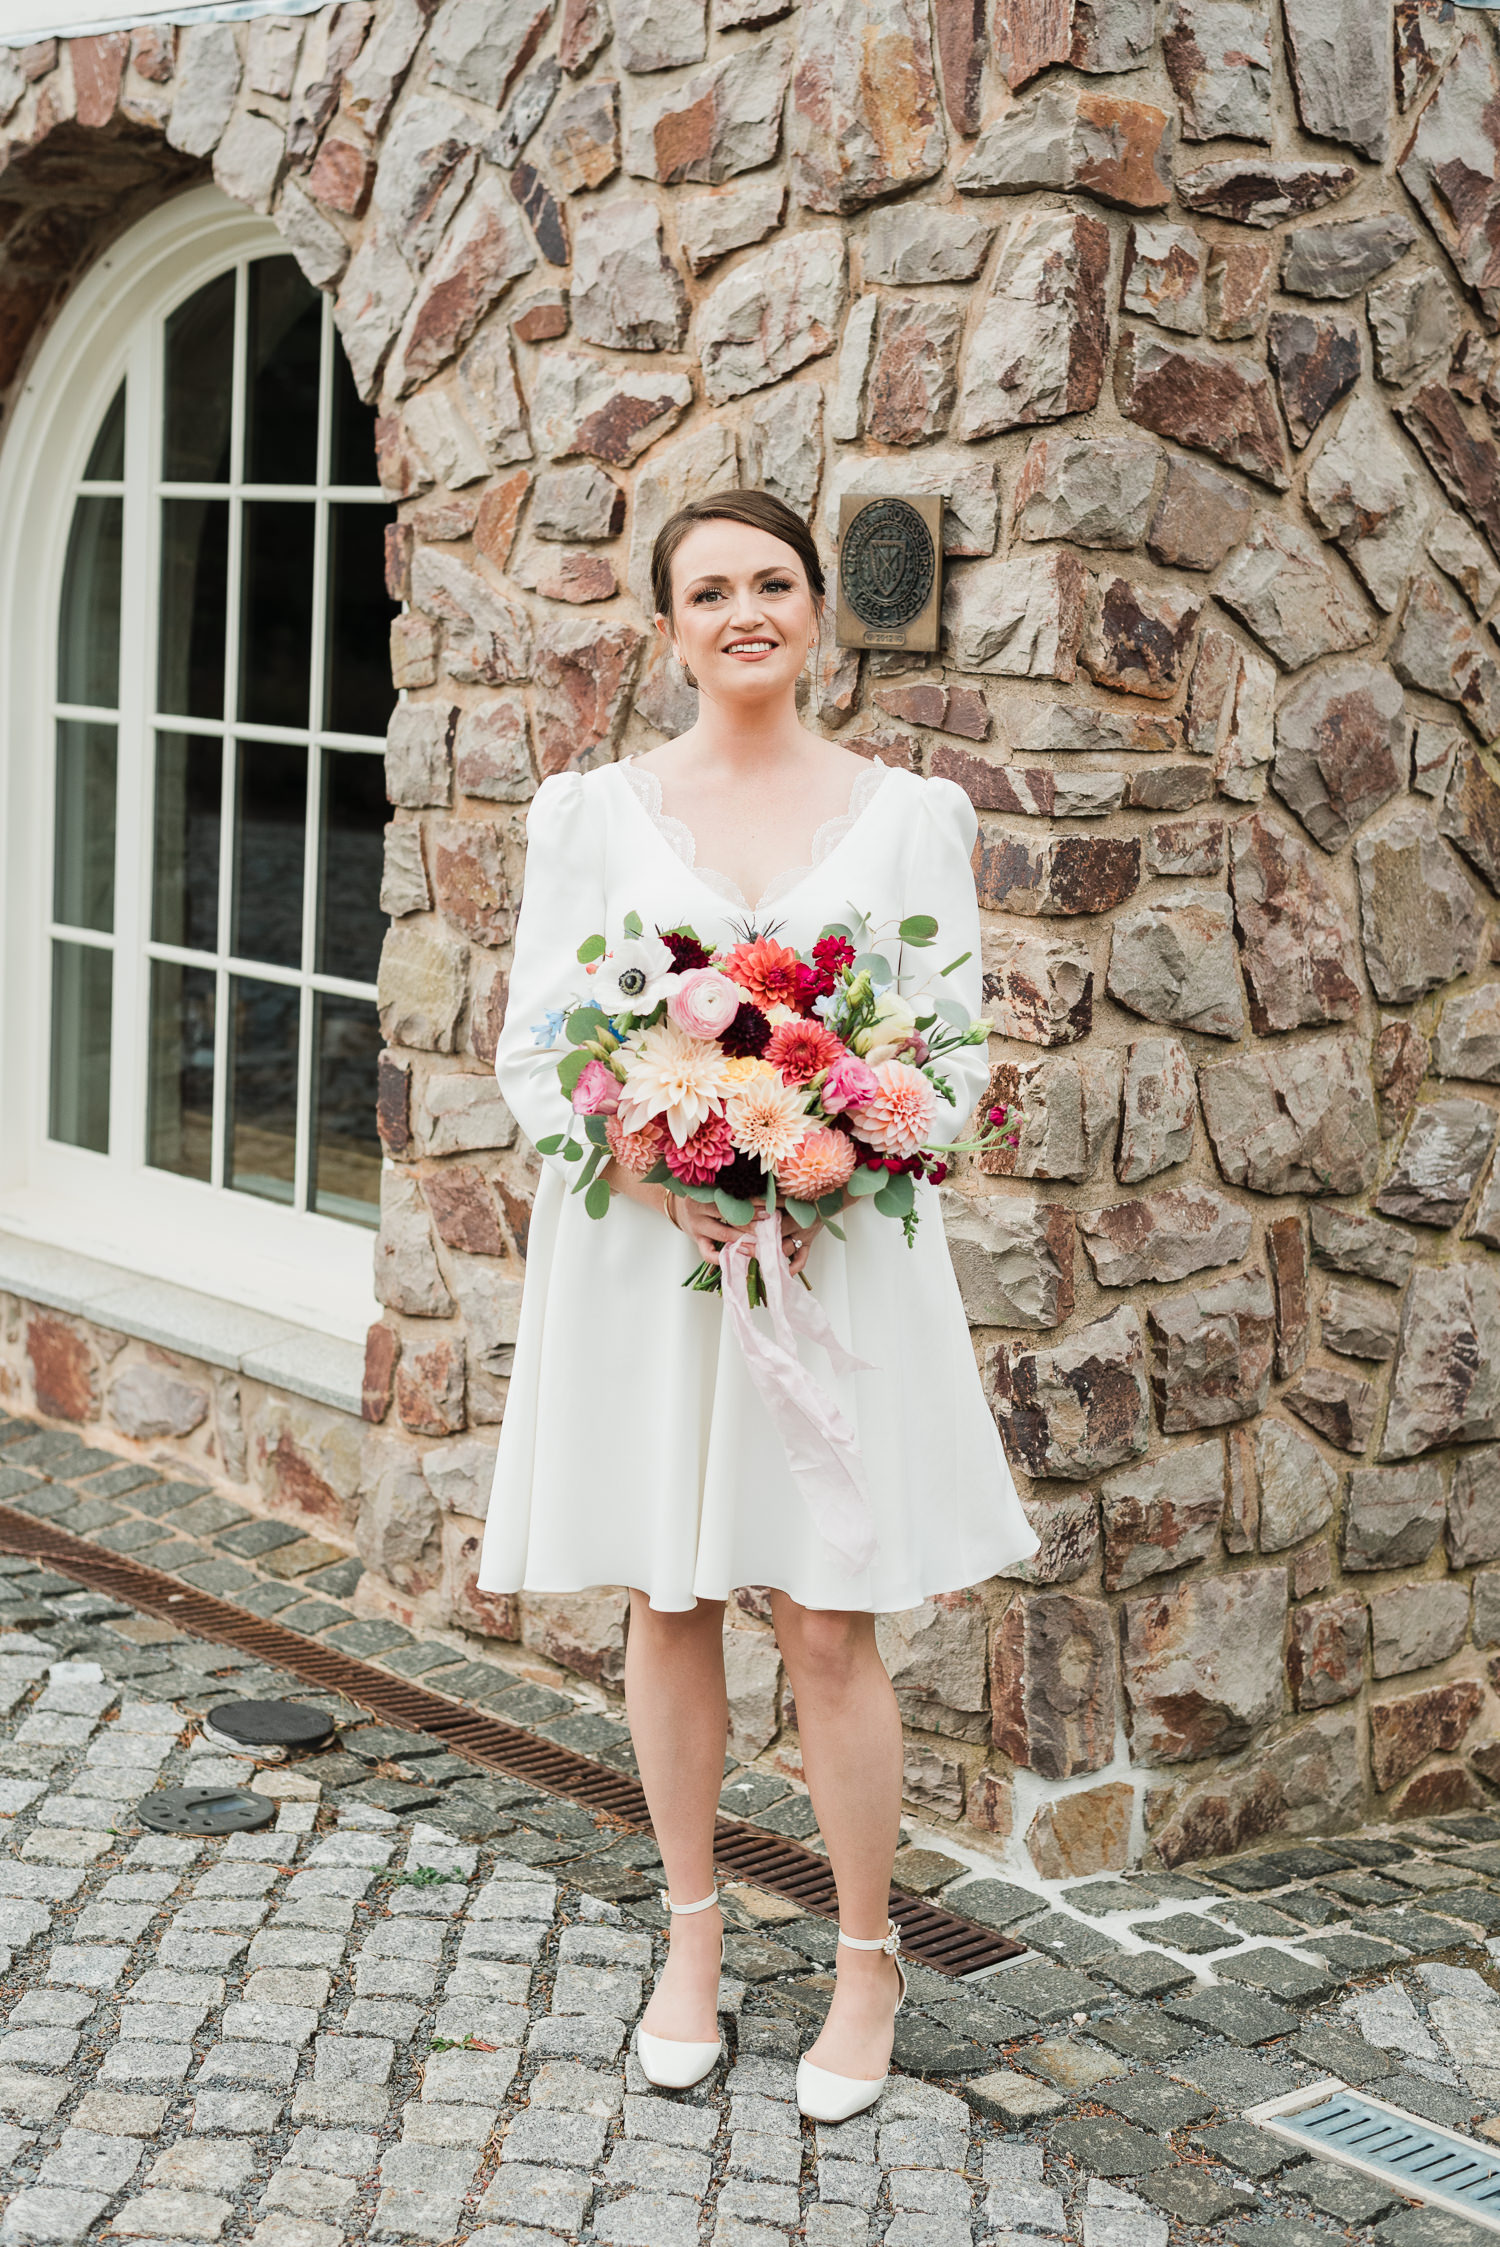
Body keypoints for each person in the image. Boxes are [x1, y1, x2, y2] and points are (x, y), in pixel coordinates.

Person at [478, 489, 1036, 2119]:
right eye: (708, 588)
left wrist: (839, 1140)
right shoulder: (587, 817)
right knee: (669, 1595)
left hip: (836, 1266)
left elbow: (954, 1058)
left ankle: (869, 1959)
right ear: (666, 628)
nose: (745, 609)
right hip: (654, 1265)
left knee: (829, 1617)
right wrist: (653, 1158)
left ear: (815, 612)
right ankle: (695, 1939)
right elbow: (534, 1054)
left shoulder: (911, 816)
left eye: (773, 582)